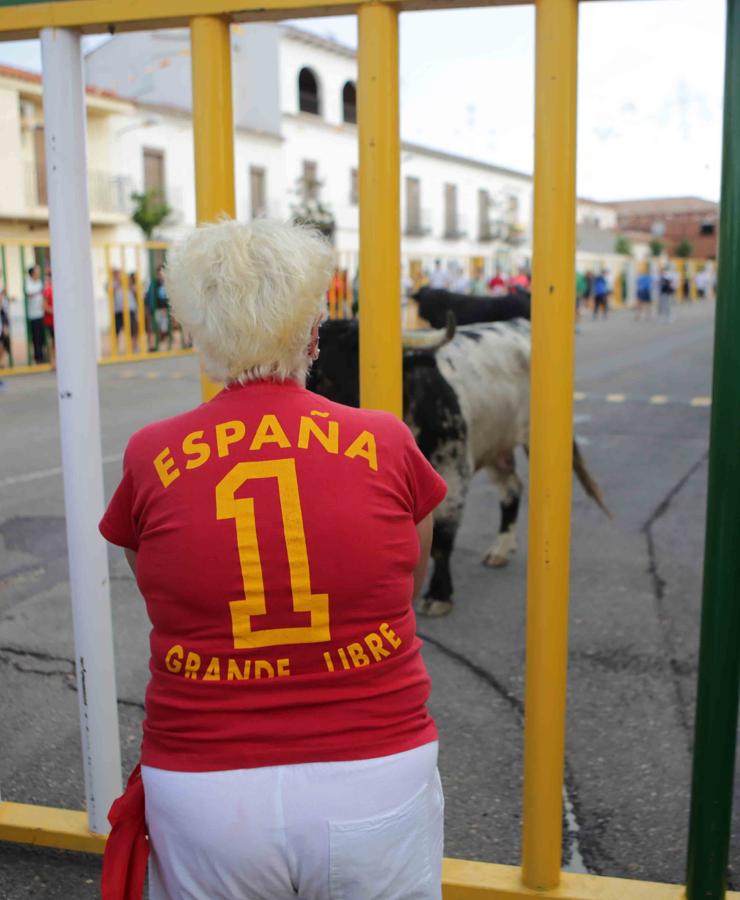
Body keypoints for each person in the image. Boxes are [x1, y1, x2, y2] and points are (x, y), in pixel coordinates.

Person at [99, 218, 447, 900]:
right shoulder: (385, 440)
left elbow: (157, 588)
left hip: (204, 784)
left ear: (201, 337)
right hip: (375, 765)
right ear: (314, 333)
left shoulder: (149, 455)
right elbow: (410, 575)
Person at [25, 264, 45, 364]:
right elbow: (29, 293)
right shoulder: (28, 283)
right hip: (34, 315)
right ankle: (38, 358)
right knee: (36, 337)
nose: (39, 273)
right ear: (33, 273)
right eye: (37, 271)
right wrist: (40, 291)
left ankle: (43, 355)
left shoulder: (40, 282)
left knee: (42, 337)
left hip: (42, 313)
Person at [147, 265, 170, 349]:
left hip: (165, 309)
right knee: (157, 327)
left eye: (162, 273)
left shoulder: (168, 283)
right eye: (159, 274)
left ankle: (161, 340)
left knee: (164, 327)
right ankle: (154, 344)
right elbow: (151, 297)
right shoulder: (154, 284)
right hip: (157, 309)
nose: (161, 275)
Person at [42, 267, 55, 368]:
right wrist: (55, 312)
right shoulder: (48, 290)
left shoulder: (56, 289)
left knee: (56, 341)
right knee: (53, 341)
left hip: (55, 319)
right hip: (51, 320)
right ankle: (53, 361)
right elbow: (44, 305)